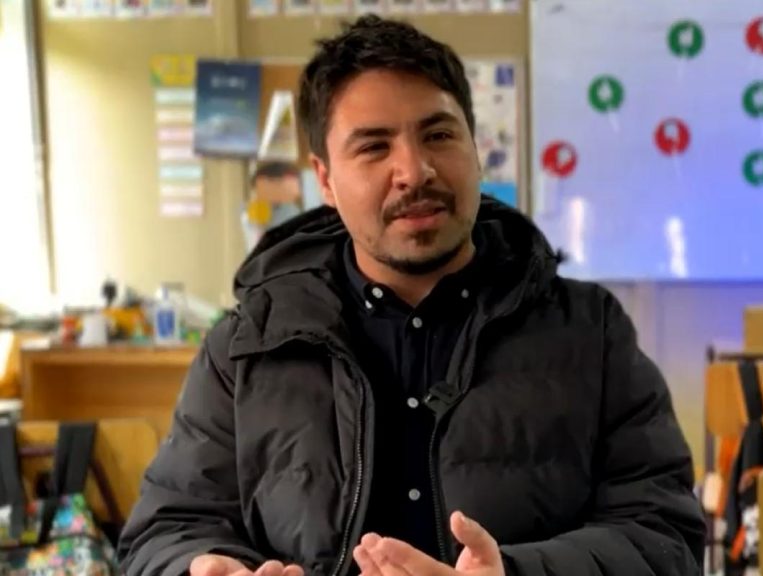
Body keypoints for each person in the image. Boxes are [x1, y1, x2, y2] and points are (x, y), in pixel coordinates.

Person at [117, 15, 705, 576]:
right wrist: (200, 566)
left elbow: (664, 535)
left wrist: (515, 573)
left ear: (475, 147)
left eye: (438, 135)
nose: (414, 170)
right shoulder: (246, 347)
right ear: (325, 179)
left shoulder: (590, 331)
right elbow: (165, 530)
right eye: (374, 147)